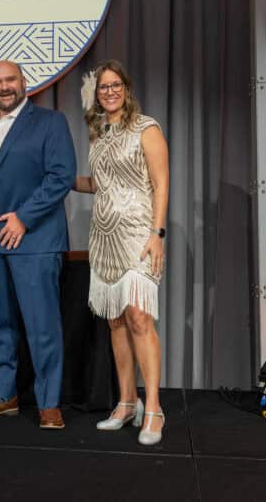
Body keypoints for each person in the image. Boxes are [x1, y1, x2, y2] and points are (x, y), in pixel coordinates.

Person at [0, 61, 76, 429]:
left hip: (34, 237)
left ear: (24, 82)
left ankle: (49, 403)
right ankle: (2, 395)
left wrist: (24, 217)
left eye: (10, 79)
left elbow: (61, 176)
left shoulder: (50, 122)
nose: (4, 87)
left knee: (42, 325)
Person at [73, 60, 169, 445]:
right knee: (115, 321)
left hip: (138, 235)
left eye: (116, 85)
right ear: (96, 94)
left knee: (139, 317)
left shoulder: (147, 128)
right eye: (103, 87)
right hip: (103, 237)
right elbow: (100, 184)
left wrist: (157, 234)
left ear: (126, 89)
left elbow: (161, 183)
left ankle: (154, 408)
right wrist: (62, 179)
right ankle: (127, 403)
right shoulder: (98, 132)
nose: (109, 92)